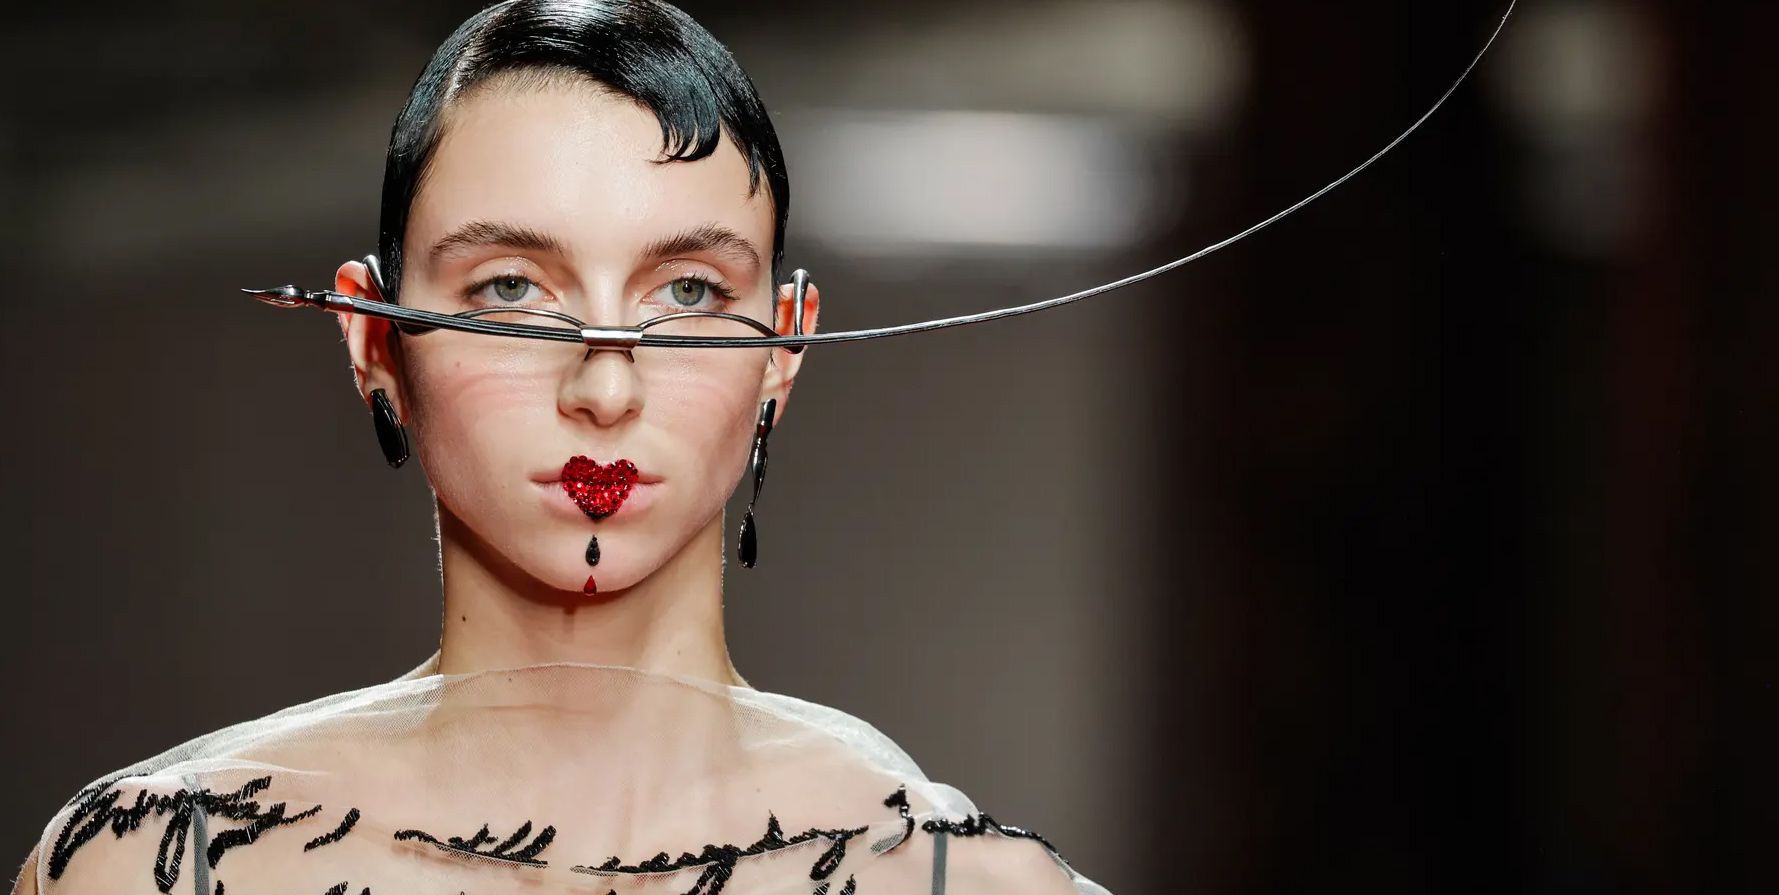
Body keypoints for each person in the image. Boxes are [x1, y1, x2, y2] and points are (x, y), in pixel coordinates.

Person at [10, 2, 1109, 892]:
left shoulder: (967, 879)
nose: (605, 384)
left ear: (786, 346)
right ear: (371, 334)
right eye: (509, 288)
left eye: (688, 290)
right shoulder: (155, 863)